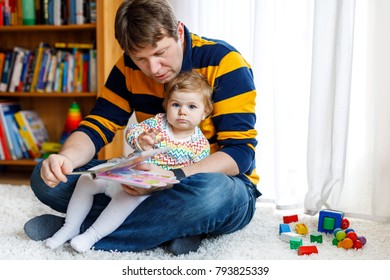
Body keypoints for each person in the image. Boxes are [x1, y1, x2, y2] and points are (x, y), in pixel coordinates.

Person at [24, 0, 261, 255]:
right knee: (45, 177)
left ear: (178, 31)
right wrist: (65, 159)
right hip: (144, 179)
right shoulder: (127, 66)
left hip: (206, 183)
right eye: (141, 59)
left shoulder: (224, 61)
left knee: (213, 194)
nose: (153, 69)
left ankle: (82, 229)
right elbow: (98, 125)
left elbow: (240, 154)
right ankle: (175, 228)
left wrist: (170, 177)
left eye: (160, 53)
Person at [45, 71, 213, 253]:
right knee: (87, 178)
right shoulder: (158, 123)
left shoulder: (200, 146)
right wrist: (140, 139)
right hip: (126, 168)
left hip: (150, 190)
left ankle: (92, 235)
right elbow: (132, 131)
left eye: (191, 107)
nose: (182, 111)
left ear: (205, 112)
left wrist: (167, 182)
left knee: (125, 197)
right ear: (166, 105)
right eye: (176, 104)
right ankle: (71, 226)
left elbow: (193, 179)